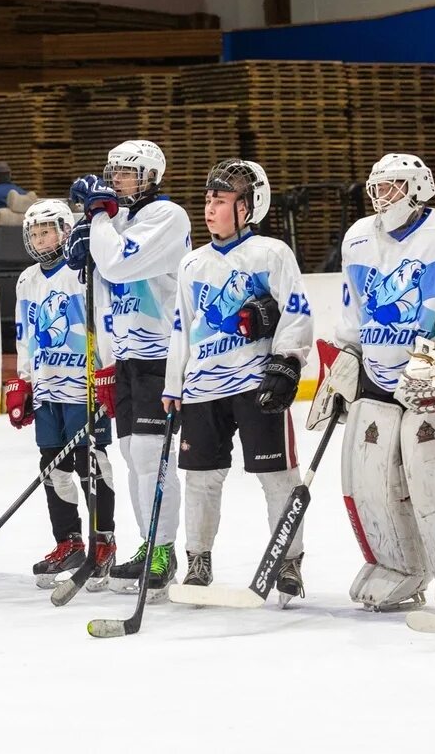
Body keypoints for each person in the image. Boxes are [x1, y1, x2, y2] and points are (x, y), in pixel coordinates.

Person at [308, 153, 435, 613]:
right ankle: (397, 567)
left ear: (419, 188)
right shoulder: (359, 237)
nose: (382, 196)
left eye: (393, 186)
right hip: (374, 372)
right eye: (377, 187)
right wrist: (346, 358)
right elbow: (353, 307)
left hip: (430, 372)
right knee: (371, 479)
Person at [163, 160, 313, 604]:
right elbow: (181, 328)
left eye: (221, 201)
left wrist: (287, 361)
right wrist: (174, 385)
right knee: (200, 480)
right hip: (203, 389)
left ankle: (288, 563)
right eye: (208, 199)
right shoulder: (192, 263)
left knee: (278, 478)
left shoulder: (271, 253)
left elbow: (297, 311)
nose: (209, 208)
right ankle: (199, 562)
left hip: (254, 383)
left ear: (247, 208)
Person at [64, 140, 192, 597]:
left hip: (161, 356)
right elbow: (102, 284)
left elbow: (118, 266)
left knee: (155, 460)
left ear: (151, 177)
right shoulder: (121, 219)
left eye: (128, 173)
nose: (117, 179)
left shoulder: (166, 216)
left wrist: (97, 218)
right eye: (113, 171)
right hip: (128, 361)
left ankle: (164, 549)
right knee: (135, 459)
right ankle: (148, 543)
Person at [7, 199, 117, 589]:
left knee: (93, 465)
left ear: (66, 231)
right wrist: (22, 380)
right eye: (34, 233)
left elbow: (104, 320)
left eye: (47, 231)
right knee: (53, 469)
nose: (39, 239)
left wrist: (107, 371)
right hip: (48, 388)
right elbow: (25, 335)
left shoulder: (85, 272)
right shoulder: (27, 280)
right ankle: (68, 542)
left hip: (83, 388)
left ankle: (103, 543)